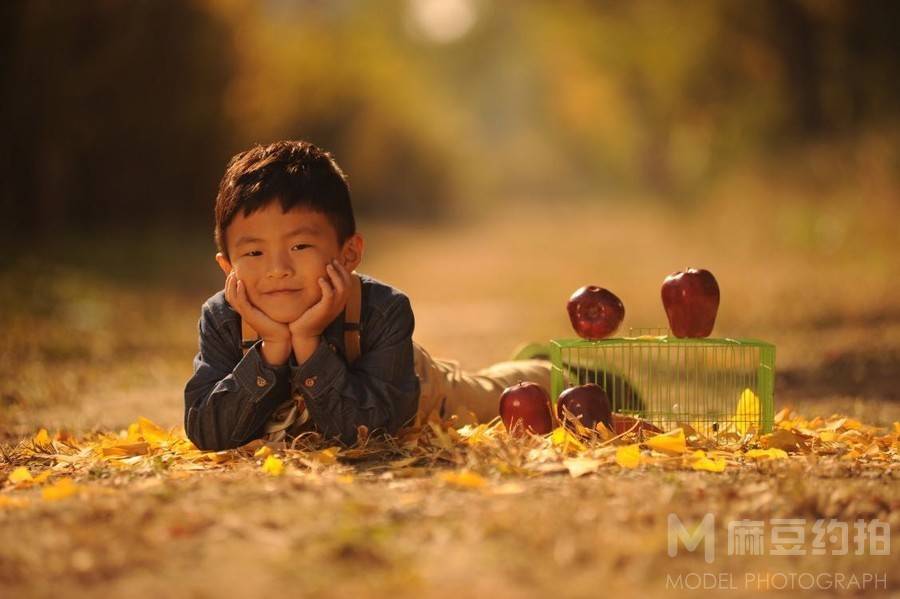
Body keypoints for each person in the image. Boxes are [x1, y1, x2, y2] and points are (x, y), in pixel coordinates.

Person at [183, 140, 554, 451]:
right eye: (253, 253)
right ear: (228, 268)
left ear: (349, 254)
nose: (277, 268)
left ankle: (554, 369)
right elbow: (208, 433)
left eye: (299, 246)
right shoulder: (222, 320)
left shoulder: (382, 310)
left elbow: (367, 432)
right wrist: (273, 347)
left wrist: (308, 343)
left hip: (422, 393)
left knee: (491, 396)